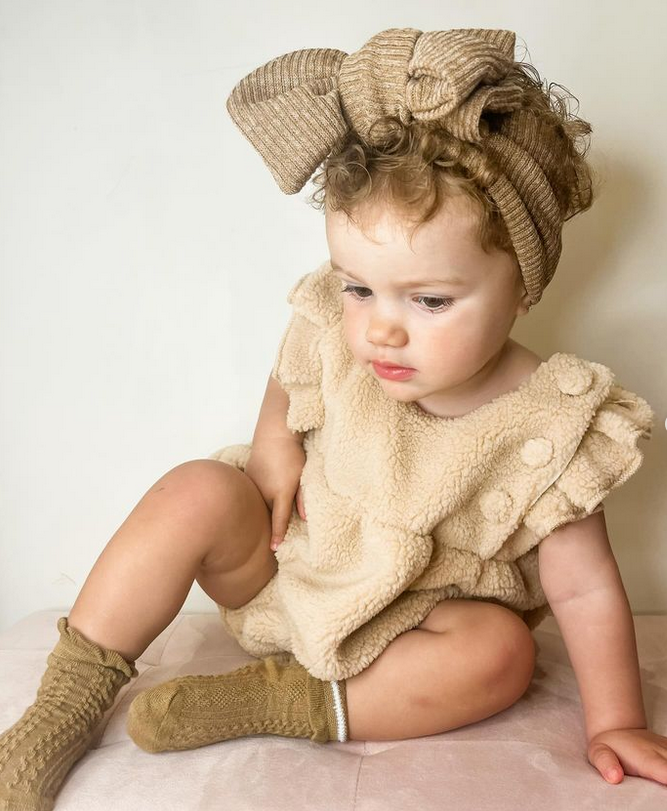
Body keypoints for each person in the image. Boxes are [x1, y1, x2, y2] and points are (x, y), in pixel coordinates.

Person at [1, 26, 665, 810]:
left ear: (521, 284)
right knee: (197, 489)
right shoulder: (341, 331)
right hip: (286, 566)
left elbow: (583, 589)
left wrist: (616, 719)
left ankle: (281, 700)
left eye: (428, 300)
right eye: (358, 288)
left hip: (408, 630)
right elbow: (295, 361)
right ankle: (65, 701)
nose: (379, 329)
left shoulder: (552, 424)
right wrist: (274, 442)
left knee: (501, 653)